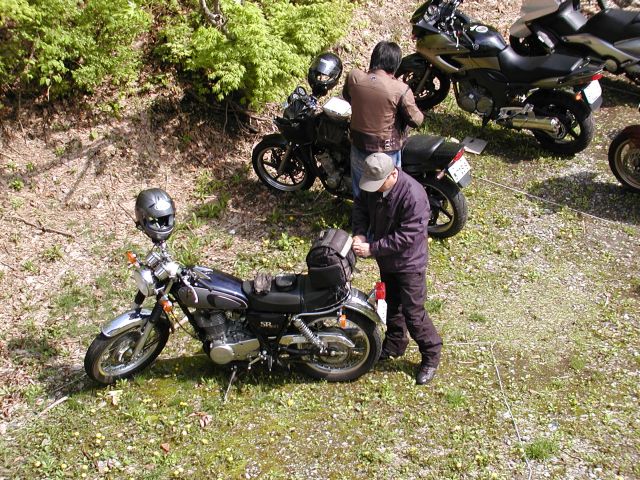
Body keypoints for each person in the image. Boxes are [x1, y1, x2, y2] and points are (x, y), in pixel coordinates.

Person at [351, 152, 442, 385]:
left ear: (393, 174)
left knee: (413, 313)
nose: (374, 189)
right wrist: (360, 232)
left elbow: (407, 236)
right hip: (387, 260)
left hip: (409, 263)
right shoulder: (374, 185)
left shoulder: (414, 196)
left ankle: (431, 355)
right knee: (391, 303)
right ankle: (394, 344)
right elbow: (360, 206)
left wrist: (372, 248)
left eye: (378, 185)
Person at [342, 41, 424, 198]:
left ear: (374, 58)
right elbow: (416, 120)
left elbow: (347, 96)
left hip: (359, 144)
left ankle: (361, 212)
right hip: (387, 150)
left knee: (360, 191)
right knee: (389, 193)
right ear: (395, 64)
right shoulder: (400, 89)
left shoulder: (354, 77)